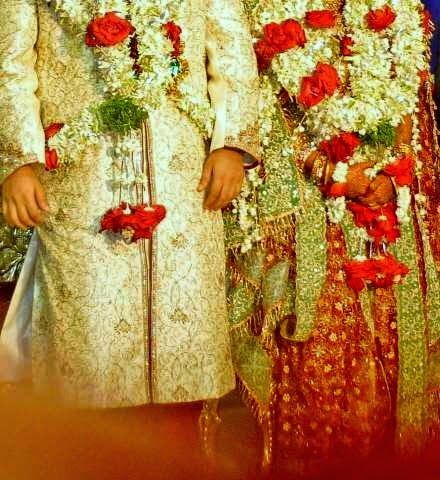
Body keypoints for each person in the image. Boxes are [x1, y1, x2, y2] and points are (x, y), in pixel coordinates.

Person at [0, 0, 259, 412]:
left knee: (185, 346)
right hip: (81, 176)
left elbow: (232, 49)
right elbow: (9, 64)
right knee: (86, 348)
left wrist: (230, 144)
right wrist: (17, 162)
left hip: (182, 174)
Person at [230, 0, 440, 474]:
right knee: (320, 348)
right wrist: (327, 170)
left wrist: (395, 170)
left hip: (390, 208)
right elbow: (263, 109)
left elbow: (412, 102)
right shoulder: (267, 12)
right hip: (312, 215)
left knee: (393, 340)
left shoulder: (401, 11)